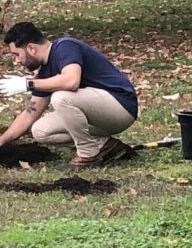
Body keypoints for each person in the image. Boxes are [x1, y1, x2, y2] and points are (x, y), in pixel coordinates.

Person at [0, 21, 139, 163]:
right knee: (41, 131)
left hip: (121, 107)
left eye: (17, 54)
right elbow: (29, 114)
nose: (16, 61)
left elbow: (71, 81)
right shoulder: (45, 72)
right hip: (99, 116)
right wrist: (2, 140)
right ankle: (104, 145)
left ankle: (88, 154)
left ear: (31, 48)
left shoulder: (65, 46)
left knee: (61, 97)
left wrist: (28, 84)